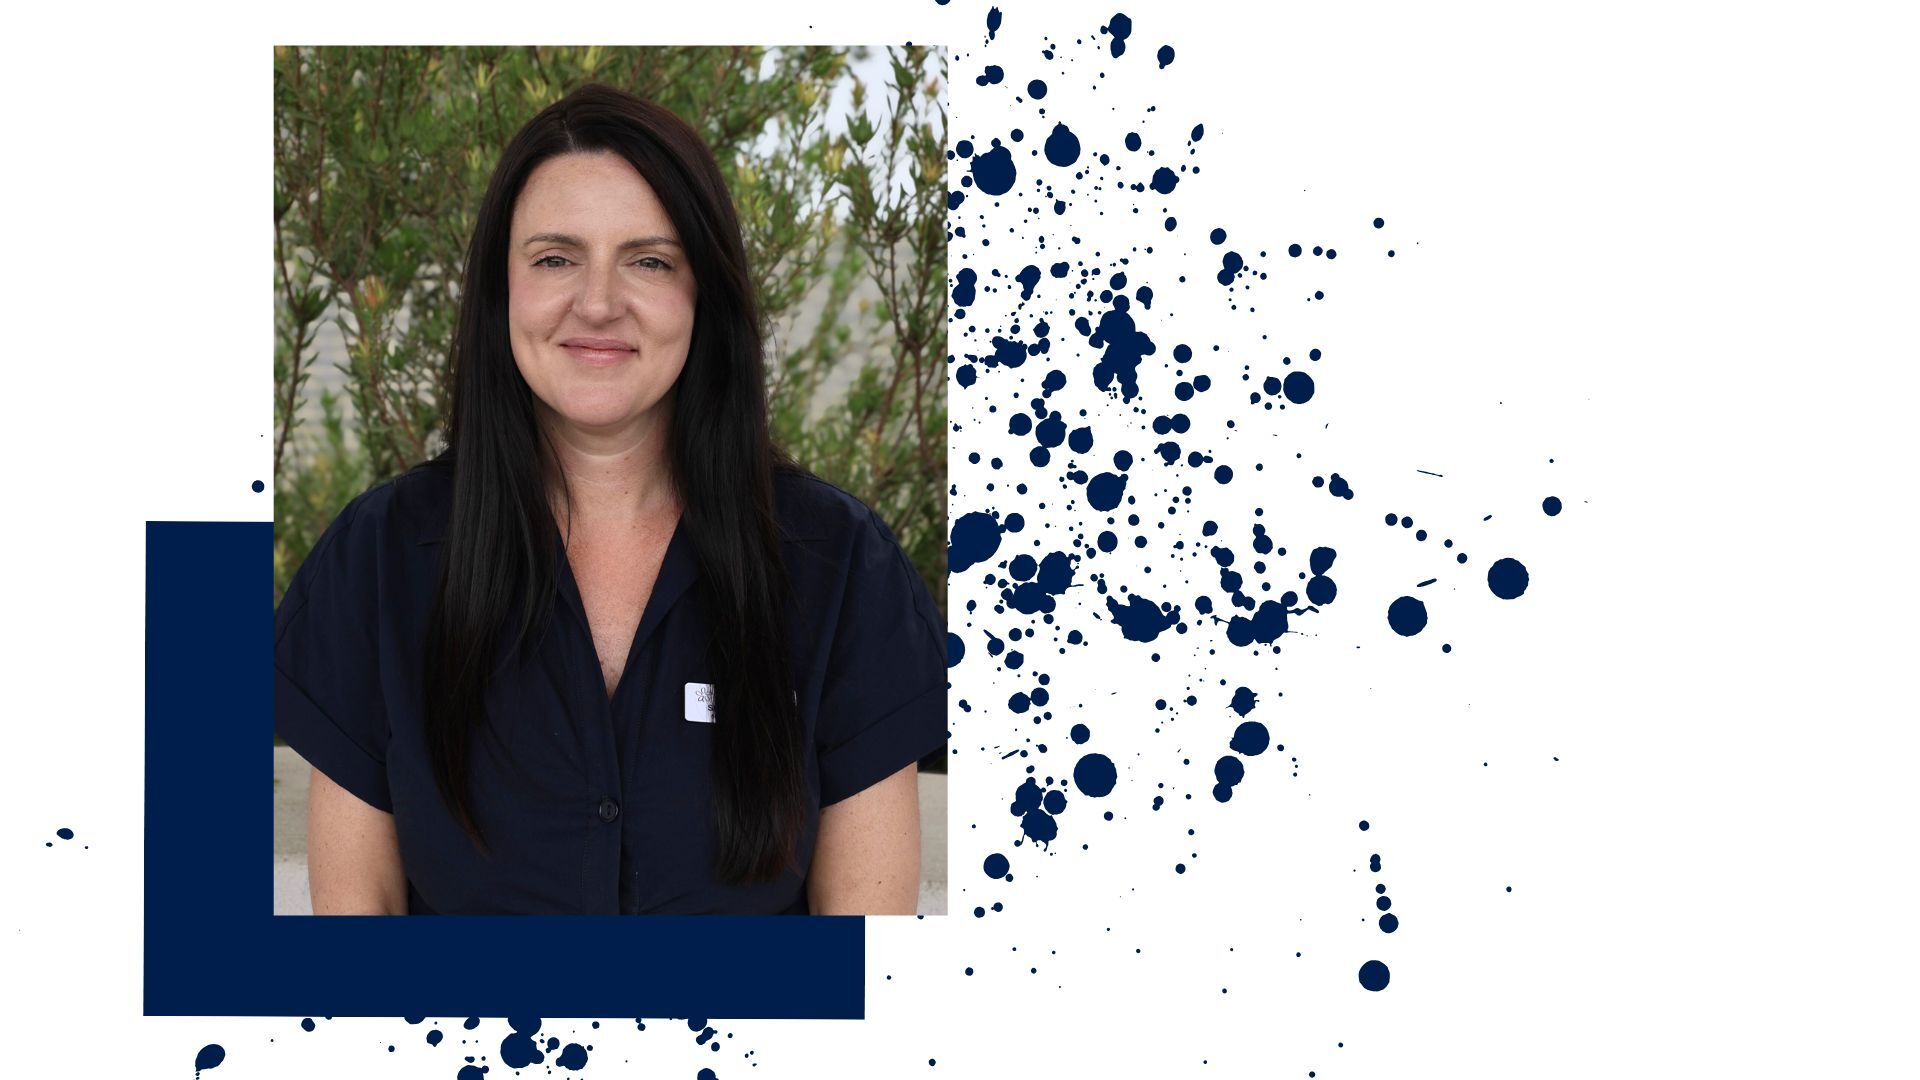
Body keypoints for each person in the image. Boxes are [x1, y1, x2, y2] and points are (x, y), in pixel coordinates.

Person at [273, 83, 948, 915]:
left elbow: (865, 959)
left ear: (705, 294)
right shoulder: (377, 562)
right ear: (501, 288)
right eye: (555, 259)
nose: (597, 303)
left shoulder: (842, 568)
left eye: (649, 260)